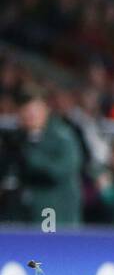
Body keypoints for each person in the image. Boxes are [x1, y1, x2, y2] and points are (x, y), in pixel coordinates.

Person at [16, 87, 84, 229]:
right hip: (28, 212)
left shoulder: (62, 136)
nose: (29, 116)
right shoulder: (18, 139)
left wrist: (34, 158)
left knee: (53, 248)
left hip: (55, 209)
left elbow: (62, 169)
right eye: (26, 111)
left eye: (33, 111)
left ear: (45, 110)